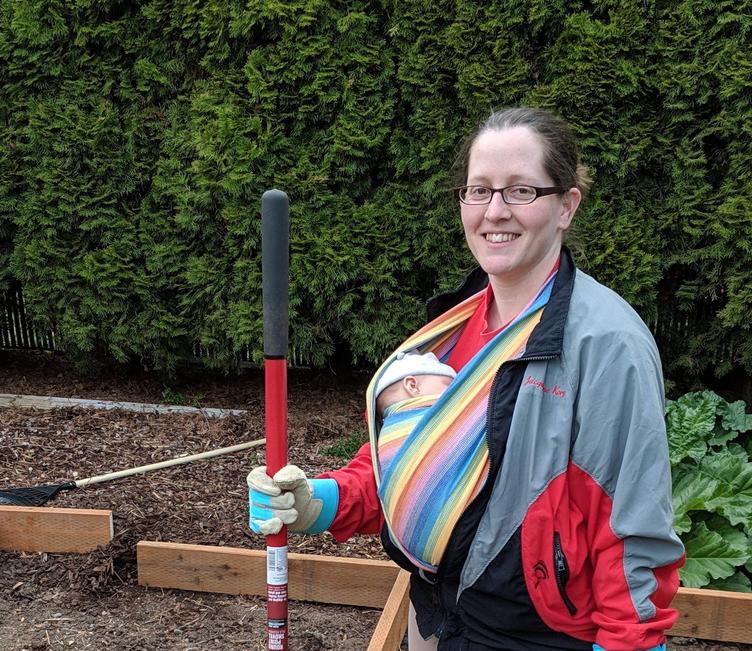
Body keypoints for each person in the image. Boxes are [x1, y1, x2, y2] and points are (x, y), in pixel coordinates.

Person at [248, 107, 684, 651]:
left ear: (566, 205)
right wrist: (321, 500)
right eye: (478, 191)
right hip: (438, 620)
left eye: (520, 191)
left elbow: (631, 534)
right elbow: (419, 466)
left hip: (538, 636)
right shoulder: (452, 327)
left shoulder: (605, 344)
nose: (494, 212)